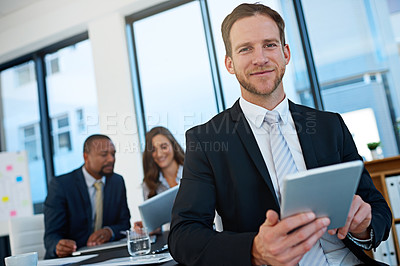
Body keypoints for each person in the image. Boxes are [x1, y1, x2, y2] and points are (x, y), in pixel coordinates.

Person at [168, 3, 392, 266]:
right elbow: (183, 236)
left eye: (270, 45)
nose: (260, 58)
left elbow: (377, 209)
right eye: (245, 49)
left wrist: (364, 225)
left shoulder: (330, 126)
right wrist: (254, 250)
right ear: (229, 63)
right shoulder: (207, 141)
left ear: (286, 53)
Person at [44, 134, 131, 259]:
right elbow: (51, 236)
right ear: (86, 157)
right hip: (71, 258)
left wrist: (109, 231)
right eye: (104, 154)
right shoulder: (61, 185)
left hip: (105, 256)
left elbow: (124, 224)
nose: (111, 159)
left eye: (113, 154)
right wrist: (58, 246)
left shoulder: (117, 181)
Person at [142, 126, 184, 200]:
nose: (159, 154)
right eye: (153, 150)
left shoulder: (192, 170)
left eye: (164, 147)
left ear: (173, 146)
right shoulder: (148, 185)